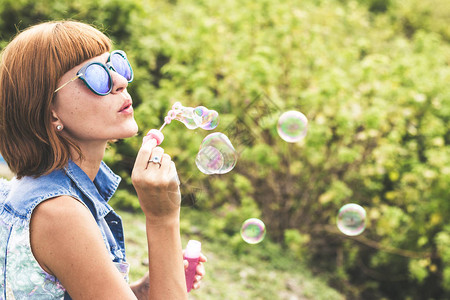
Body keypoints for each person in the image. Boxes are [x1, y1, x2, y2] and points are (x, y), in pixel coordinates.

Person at [0, 20, 206, 299]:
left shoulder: (37, 190)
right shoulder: (60, 212)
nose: (121, 82)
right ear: (51, 113)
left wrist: (141, 291)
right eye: (97, 76)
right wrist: (162, 219)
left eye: (116, 64)